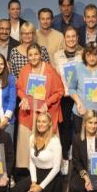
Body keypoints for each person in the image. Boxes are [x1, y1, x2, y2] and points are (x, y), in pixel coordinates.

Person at [16, 44, 64, 174]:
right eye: (30, 55)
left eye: (36, 54)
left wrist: (47, 104)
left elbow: (60, 91)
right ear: (27, 57)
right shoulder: (25, 70)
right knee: (26, 149)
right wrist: (23, 98)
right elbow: (19, 89)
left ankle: (47, 172)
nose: (33, 57)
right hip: (28, 115)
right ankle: (27, 175)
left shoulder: (49, 70)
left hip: (44, 114)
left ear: (41, 55)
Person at [7, 112, 63, 192]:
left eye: (44, 122)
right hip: (36, 174)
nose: (40, 124)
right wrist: (33, 182)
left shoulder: (55, 142)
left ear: (49, 124)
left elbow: (56, 168)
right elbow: (32, 161)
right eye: (38, 121)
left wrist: (40, 187)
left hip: (50, 178)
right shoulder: (32, 138)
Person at [52, 26, 83, 174]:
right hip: (64, 97)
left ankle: (78, 160)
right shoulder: (57, 55)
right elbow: (55, 76)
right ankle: (64, 158)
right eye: (68, 37)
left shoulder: (83, 54)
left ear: (77, 38)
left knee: (78, 128)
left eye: (73, 36)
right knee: (64, 128)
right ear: (64, 39)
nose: (71, 39)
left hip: (79, 97)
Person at [68, 42, 97, 136]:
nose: (92, 58)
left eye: (95, 55)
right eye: (88, 55)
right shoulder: (78, 68)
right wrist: (78, 102)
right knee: (82, 145)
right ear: (84, 55)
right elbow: (71, 88)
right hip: (81, 114)